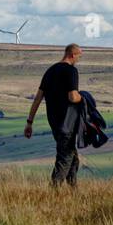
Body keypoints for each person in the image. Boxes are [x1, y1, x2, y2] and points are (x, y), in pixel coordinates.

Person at [24, 44, 84, 187]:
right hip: (67, 122)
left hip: (54, 122)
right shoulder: (71, 71)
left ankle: (73, 191)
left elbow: (38, 98)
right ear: (72, 55)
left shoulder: (50, 71)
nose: (79, 60)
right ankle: (54, 189)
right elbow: (72, 97)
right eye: (79, 56)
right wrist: (84, 98)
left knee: (73, 158)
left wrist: (29, 122)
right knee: (65, 157)